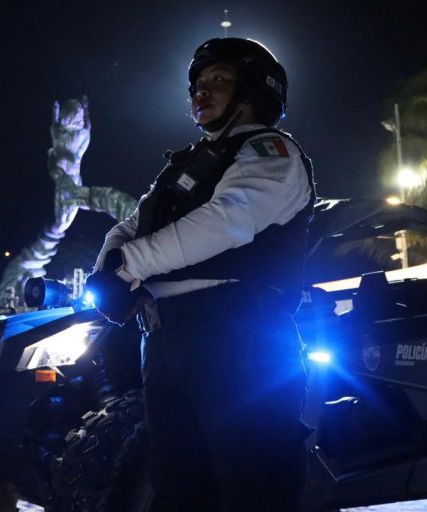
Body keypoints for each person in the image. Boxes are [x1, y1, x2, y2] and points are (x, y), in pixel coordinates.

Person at [87, 38, 315, 511]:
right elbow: (131, 225)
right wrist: (106, 272)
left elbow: (227, 221)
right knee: (178, 489)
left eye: (219, 80)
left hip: (240, 337)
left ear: (253, 90)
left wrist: (129, 267)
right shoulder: (190, 163)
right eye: (197, 84)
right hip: (167, 338)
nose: (201, 91)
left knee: (253, 486)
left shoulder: (271, 152)